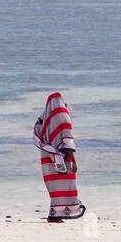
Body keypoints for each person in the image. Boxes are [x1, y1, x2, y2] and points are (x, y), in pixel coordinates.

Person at [34, 91, 86, 222]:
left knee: (54, 185)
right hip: (63, 157)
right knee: (67, 184)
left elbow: (37, 135)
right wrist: (74, 160)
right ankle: (58, 214)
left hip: (47, 157)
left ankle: (55, 213)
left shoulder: (44, 117)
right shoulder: (63, 116)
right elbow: (67, 139)